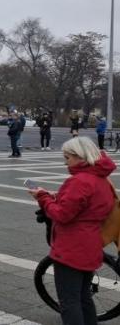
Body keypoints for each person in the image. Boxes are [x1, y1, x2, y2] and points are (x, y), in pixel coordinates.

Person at [28, 137, 115, 325]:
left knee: (69, 302)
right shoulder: (102, 178)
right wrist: (57, 196)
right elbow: (88, 203)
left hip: (71, 248)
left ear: (79, 157)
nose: (65, 162)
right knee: (84, 297)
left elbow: (62, 215)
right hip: (91, 244)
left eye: (67, 158)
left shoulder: (79, 181)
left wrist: (43, 198)